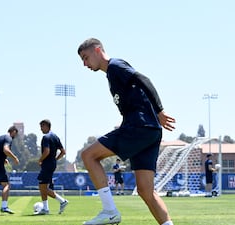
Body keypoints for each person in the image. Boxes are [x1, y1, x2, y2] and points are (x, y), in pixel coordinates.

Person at [77, 38, 176, 225]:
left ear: (98, 50)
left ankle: (109, 211)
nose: (85, 64)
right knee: (146, 191)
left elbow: (143, 79)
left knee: (88, 155)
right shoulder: (111, 75)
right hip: (150, 131)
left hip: (140, 126)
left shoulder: (115, 66)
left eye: (86, 57)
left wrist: (160, 110)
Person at [35, 119, 69, 215]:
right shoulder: (55, 137)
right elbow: (63, 152)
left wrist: (40, 159)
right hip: (52, 164)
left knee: (42, 187)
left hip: (47, 164)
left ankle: (62, 201)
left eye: (42, 126)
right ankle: (45, 209)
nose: (41, 129)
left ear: (46, 126)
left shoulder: (46, 137)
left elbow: (46, 151)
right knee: (43, 186)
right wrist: (55, 159)